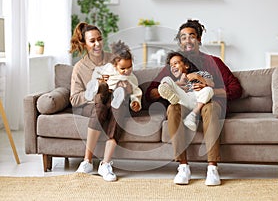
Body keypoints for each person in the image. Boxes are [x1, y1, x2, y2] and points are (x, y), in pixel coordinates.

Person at [146, 19, 242, 186]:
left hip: (208, 104)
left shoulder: (214, 62)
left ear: (199, 40)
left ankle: (212, 168)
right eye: (183, 37)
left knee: (210, 107)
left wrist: (208, 86)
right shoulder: (175, 64)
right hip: (185, 104)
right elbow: (151, 93)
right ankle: (183, 167)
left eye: (192, 36)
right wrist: (173, 86)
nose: (188, 40)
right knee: (173, 108)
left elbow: (236, 89)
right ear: (180, 42)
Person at [69, 22, 139, 182]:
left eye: (99, 39)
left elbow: (129, 76)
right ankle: (87, 161)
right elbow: (74, 99)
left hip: (116, 102)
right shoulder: (79, 68)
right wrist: (95, 91)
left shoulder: (114, 59)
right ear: (84, 44)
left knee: (118, 102)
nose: (97, 44)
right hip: (93, 105)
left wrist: (127, 87)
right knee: (101, 99)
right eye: (92, 41)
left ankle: (105, 164)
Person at [158, 51, 214, 131]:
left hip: (198, 99)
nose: (173, 67)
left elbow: (212, 83)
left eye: (176, 63)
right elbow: (183, 91)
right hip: (184, 101)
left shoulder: (201, 73)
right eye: (171, 65)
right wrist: (180, 83)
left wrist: (197, 77)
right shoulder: (177, 80)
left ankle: (192, 115)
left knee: (209, 90)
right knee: (166, 79)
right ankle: (170, 95)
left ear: (186, 65)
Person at [85, 40, 142, 111]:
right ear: (115, 65)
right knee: (102, 85)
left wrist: (135, 101)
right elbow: (97, 70)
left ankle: (117, 99)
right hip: (105, 91)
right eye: (123, 68)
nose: (127, 71)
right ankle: (93, 87)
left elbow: (136, 91)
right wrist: (99, 78)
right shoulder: (109, 68)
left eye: (129, 67)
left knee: (121, 90)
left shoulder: (131, 77)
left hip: (115, 93)